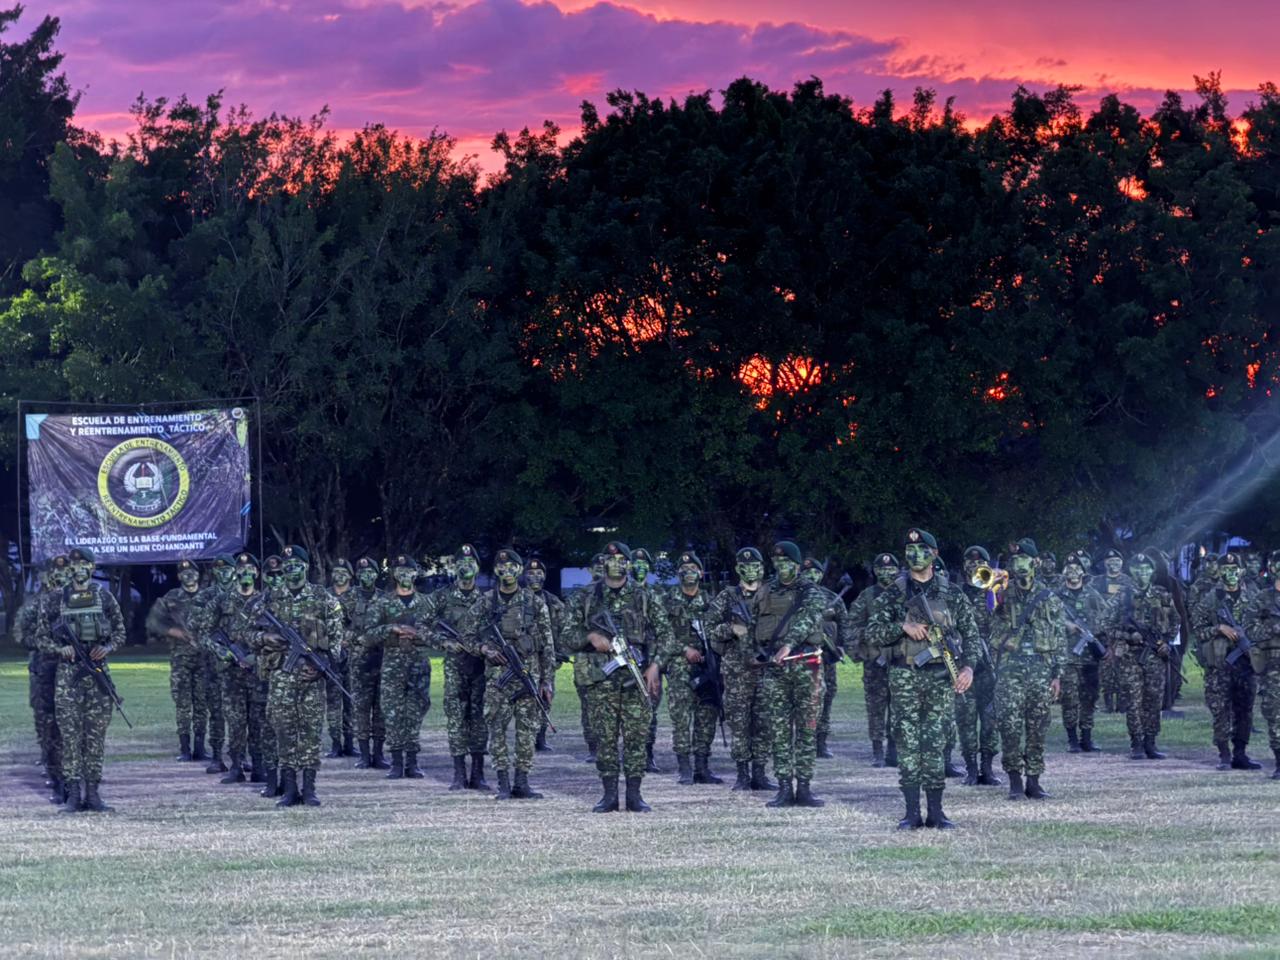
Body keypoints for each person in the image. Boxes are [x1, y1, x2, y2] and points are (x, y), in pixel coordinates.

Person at [867, 529, 977, 829]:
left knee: (936, 743)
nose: (915, 555)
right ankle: (912, 812)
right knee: (907, 743)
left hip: (942, 676)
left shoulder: (951, 593)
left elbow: (972, 635)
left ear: (934, 554)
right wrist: (902, 627)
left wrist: (967, 669)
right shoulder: (894, 593)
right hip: (904, 676)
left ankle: (937, 812)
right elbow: (872, 632)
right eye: (910, 550)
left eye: (922, 549)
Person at [563, 541, 671, 813]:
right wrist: (590, 637)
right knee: (605, 739)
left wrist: (655, 665)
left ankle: (634, 795)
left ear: (628, 564)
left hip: (636, 678)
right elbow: (565, 636)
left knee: (636, 737)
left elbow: (667, 635)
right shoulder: (585, 597)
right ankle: (609, 795)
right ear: (603, 563)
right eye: (611, 559)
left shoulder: (645, 596)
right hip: (600, 679)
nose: (617, 564)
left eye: (622, 559)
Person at [243, 545, 344, 807]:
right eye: (286, 566)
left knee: (310, 732)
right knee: (284, 731)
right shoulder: (268, 599)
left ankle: (309, 789)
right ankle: (289, 789)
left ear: (305, 567)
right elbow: (246, 633)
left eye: (296, 564)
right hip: (281, 679)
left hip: (312, 679)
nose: (291, 569)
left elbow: (337, 639)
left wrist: (324, 666)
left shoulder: (324, 598)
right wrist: (265, 637)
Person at [34, 547, 126, 813]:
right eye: (75, 564)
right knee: (70, 737)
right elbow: (41, 637)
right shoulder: (54, 600)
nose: (80, 568)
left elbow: (120, 631)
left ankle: (94, 794)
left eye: (85, 563)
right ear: (69, 569)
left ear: (92, 567)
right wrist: (59, 649)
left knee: (95, 737)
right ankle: (74, 794)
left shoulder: (104, 597)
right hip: (68, 677)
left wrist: (107, 648)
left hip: (97, 675)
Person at [462, 548, 555, 800]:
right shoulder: (486, 601)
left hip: (528, 677)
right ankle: (503, 783)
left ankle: (522, 782)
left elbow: (547, 644)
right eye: (502, 567)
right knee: (497, 730)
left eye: (512, 566)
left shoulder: (534, 602)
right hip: (497, 680)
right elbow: (466, 635)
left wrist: (548, 680)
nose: (507, 570)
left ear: (519, 570)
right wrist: (484, 649)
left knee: (527, 731)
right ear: (496, 570)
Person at [754, 542, 829, 807]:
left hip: (806, 666)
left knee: (807, 729)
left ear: (797, 566)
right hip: (775, 669)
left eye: (786, 562)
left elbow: (808, 617)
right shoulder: (765, 592)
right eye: (777, 562)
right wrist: (752, 653)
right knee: (779, 730)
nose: (781, 567)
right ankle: (784, 787)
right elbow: (752, 625)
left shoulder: (811, 591)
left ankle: (805, 787)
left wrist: (789, 644)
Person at [989, 538, 1065, 800]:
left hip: (1041, 671)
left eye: (1023, 559)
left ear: (1036, 562)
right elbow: (988, 609)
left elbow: (1059, 636)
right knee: (1009, 725)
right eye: (1014, 560)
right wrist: (995, 586)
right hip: (1010, 670)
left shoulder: (1049, 597)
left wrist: (1057, 674)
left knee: (1038, 726)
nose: (1018, 563)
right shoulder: (1002, 591)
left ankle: (1033, 780)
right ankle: (1014, 780)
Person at [704, 548, 778, 792]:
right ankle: (742, 775)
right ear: (738, 569)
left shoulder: (772, 594)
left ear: (762, 568)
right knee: (739, 723)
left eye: (756, 565)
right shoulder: (728, 596)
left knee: (764, 722)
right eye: (745, 566)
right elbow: (709, 628)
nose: (751, 570)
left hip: (766, 669)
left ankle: (760, 773)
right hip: (736, 671)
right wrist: (731, 630)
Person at [424, 544, 490, 790]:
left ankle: (479, 775)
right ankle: (458, 774)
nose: (466, 567)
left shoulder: (486, 600)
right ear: (454, 567)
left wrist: (484, 646)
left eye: (470, 562)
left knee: (480, 719)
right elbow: (422, 625)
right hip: (454, 667)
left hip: (481, 667)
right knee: (456, 720)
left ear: (477, 567)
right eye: (461, 563)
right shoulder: (441, 597)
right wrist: (444, 642)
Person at [365, 554, 436, 781]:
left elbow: (439, 635)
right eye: (400, 571)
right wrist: (391, 629)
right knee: (393, 712)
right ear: (394, 574)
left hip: (418, 665)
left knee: (415, 711)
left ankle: (412, 763)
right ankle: (396, 763)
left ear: (416, 574)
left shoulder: (427, 603)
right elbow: (368, 634)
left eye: (409, 571)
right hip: (392, 666)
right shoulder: (383, 603)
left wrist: (419, 634)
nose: (405, 575)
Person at [1102, 552, 1177, 760]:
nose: (1142, 572)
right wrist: (1128, 635)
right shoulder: (1122, 596)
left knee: (1153, 700)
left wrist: (1167, 643)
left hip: (1155, 656)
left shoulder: (1162, 595)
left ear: (1152, 571)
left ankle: (1150, 742)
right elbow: (1105, 625)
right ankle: (1136, 743)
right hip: (1129, 657)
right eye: (1137, 569)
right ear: (1131, 571)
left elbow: (1175, 622)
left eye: (1146, 569)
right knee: (1134, 700)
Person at [1190, 552, 1261, 770]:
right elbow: (1197, 629)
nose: (1230, 574)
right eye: (1226, 570)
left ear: (1241, 571)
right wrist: (1218, 628)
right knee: (1220, 709)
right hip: (1220, 664)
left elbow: (1264, 626)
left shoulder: (1254, 597)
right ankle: (1224, 754)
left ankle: (1240, 753)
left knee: (1244, 709)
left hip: (1246, 664)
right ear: (1220, 572)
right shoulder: (1211, 598)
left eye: (1234, 570)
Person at [658, 551, 724, 785]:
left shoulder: (712, 601)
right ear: (678, 574)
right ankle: (684, 768)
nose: (689, 573)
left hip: (707, 668)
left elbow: (720, 630)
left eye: (693, 569)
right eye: (684, 570)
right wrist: (684, 649)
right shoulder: (666, 600)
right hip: (679, 667)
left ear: (701, 573)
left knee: (707, 717)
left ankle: (702, 767)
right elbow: (660, 633)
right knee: (681, 718)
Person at [147, 558, 208, 762]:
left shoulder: (208, 597)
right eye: (184, 573)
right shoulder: (171, 597)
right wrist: (175, 631)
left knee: (201, 703)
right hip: (180, 659)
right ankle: (184, 748)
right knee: (183, 704)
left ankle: (200, 748)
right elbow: (153, 622)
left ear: (198, 575)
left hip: (204, 659)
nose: (188, 575)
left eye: (192, 572)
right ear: (179, 576)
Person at [846, 553, 900, 767]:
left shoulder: (904, 594)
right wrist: (861, 651)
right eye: (881, 569)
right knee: (876, 706)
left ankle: (894, 750)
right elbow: (852, 625)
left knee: (899, 706)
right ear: (875, 571)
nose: (886, 572)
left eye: (890, 569)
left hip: (899, 660)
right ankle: (878, 750)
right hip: (874, 661)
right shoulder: (867, 596)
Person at [1056, 551, 1108, 754]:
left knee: (1089, 697)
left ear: (1083, 572)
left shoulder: (1092, 595)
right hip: (1067, 655)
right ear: (1064, 572)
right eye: (1070, 569)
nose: (1074, 573)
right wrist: (1066, 624)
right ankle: (1072, 739)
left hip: (1089, 657)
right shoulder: (1057, 596)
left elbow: (1106, 617)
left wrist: (1093, 631)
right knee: (1069, 698)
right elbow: (1047, 619)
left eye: (1077, 569)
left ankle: (1087, 737)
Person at [957, 546, 1001, 785]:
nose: (974, 567)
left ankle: (988, 768)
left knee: (990, 719)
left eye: (980, 562)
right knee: (966, 718)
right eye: (970, 563)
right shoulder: (957, 594)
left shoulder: (995, 593)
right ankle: (971, 769)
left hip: (992, 665)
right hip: (965, 665)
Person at [801, 557, 848, 761]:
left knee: (826, 697)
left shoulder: (831, 598)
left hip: (827, 656)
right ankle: (804, 741)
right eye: (807, 573)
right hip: (802, 656)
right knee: (805, 699)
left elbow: (844, 624)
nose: (811, 576)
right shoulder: (795, 597)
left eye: (815, 573)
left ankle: (821, 742)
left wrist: (841, 646)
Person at [346, 557, 389, 770]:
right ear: (357, 575)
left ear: (376, 574)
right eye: (362, 572)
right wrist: (352, 639)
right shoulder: (349, 598)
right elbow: (338, 626)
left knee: (381, 707)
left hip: (382, 659)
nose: (367, 576)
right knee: (360, 708)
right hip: (358, 660)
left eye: (371, 572)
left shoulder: (385, 598)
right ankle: (364, 755)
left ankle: (379, 754)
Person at [1242, 550, 1280, 780]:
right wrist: (1273, 629)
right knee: (1275, 714)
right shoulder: (1262, 599)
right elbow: (1249, 627)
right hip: (1273, 666)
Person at [323, 559, 357, 759]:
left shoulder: (358, 597)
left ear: (350, 575)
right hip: (331, 656)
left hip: (353, 655)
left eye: (343, 571)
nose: (339, 575)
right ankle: (336, 743)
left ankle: (350, 742)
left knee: (351, 700)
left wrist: (348, 638)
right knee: (334, 701)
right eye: (336, 571)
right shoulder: (324, 596)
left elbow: (364, 624)